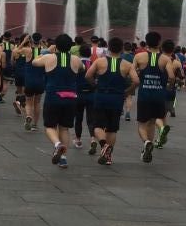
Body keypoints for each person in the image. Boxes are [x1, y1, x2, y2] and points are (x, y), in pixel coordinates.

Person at [86, 37, 139, 165]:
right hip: (117, 98)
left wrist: (95, 85)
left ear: (108, 48)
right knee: (112, 129)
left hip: (101, 96)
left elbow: (88, 75)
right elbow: (136, 81)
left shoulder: (100, 62)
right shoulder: (127, 64)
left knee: (97, 126)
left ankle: (104, 145)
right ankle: (108, 157)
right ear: (122, 49)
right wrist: (127, 91)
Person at [32, 34, 82, 169]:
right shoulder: (76, 60)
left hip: (53, 97)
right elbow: (82, 68)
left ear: (56, 46)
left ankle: (57, 144)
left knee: (49, 126)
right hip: (71, 97)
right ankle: (63, 158)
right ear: (70, 46)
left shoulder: (49, 57)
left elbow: (34, 62)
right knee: (64, 128)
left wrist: (47, 51)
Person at [132, 32, 175, 164]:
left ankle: (146, 142)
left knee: (141, 124)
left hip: (144, 95)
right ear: (159, 42)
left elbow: (132, 74)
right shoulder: (165, 59)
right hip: (158, 95)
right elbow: (172, 77)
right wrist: (168, 86)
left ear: (146, 42)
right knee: (152, 122)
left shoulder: (139, 56)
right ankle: (148, 147)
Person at [155, 40, 183, 149]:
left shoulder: (159, 60)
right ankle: (161, 140)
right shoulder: (177, 63)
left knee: (155, 116)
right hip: (171, 91)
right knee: (164, 115)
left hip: (160, 89)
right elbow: (181, 78)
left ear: (162, 48)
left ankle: (162, 131)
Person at [73, 44, 96, 154]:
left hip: (78, 94)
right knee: (91, 118)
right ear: (90, 53)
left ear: (79, 53)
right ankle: (93, 139)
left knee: (78, 118)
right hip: (91, 94)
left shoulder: (77, 64)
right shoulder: (94, 64)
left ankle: (78, 140)